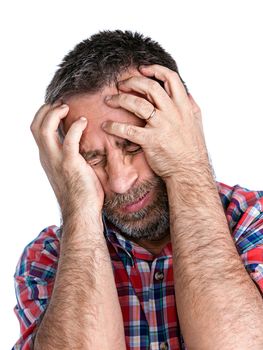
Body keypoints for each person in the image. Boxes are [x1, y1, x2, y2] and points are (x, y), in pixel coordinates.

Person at [13, 30, 263, 350]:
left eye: (133, 145)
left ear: (183, 122)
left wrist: (187, 167)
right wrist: (79, 212)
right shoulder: (49, 257)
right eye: (93, 158)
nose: (119, 181)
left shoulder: (252, 220)